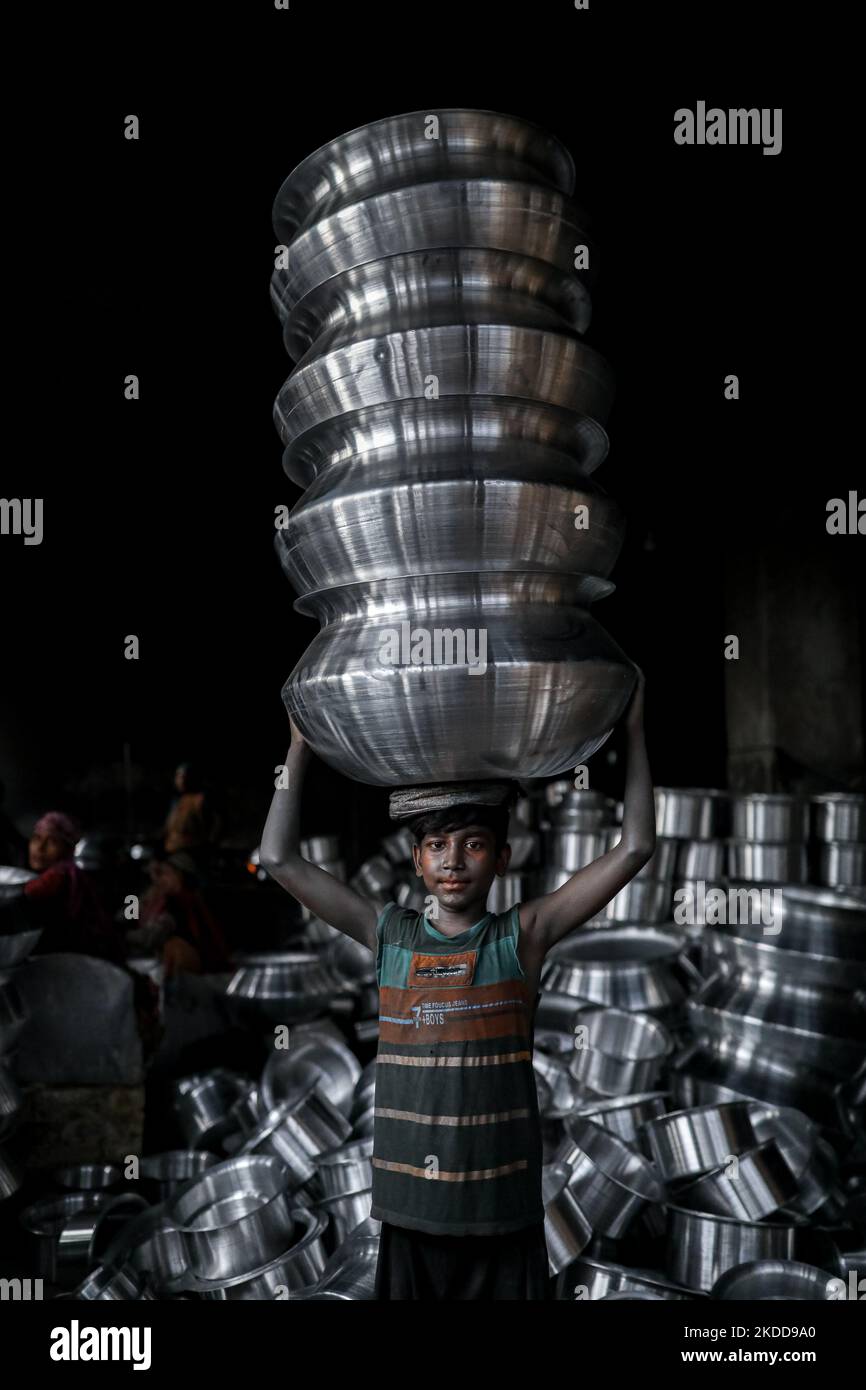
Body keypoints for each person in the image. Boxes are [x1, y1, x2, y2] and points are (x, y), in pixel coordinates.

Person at [259, 671, 655, 1300]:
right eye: (437, 845)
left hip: (503, 1216)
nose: (452, 861)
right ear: (416, 860)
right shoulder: (389, 936)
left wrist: (632, 731)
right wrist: (298, 750)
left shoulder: (522, 935)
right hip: (411, 1214)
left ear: (501, 859)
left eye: (473, 845)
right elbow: (277, 859)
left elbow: (635, 848)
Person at [23, 810, 121, 962]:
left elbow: (21, 897)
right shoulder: (70, 873)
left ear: (68, 849)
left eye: (53, 842)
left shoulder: (60, 873)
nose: (40, 847)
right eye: (37, 838)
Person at [125, 850, 230, 977]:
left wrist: (123, 935)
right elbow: (128, 915)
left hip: (194, 973)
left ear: (179, 876)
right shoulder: (158, 897)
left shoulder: (179, 902)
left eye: (165, 873)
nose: (160, 879)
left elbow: (151, 937)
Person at [163, 762, 222, 879]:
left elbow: (216, 825)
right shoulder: (177, 801)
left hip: (191, 855)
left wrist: (208, 846)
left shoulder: (200, 800)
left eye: (183, 777)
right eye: (178, 776)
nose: (180, 781)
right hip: (173, 854)